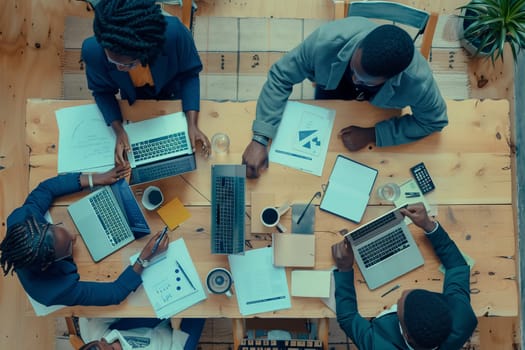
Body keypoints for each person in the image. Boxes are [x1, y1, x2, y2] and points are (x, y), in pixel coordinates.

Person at [242, 18, 448, 178]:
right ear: (359, 47)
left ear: (391, 78)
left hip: (377, 112)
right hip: (330, 90)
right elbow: (281, 75)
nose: (355, 80)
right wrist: (260, 137)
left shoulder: (418, 81)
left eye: (365, 80)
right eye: (353, 69)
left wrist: (374, 134)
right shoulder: (326, 40)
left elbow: (434, 121)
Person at [0, 165, 169, 307]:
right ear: (50, 264)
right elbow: (115, 293)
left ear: (43, 224)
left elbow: (47, 189)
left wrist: (94, 179)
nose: (74, 237)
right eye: (68, 247)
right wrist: (144, 257)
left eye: (59, 228)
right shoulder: (52, 291)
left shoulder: (22, 219)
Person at [82, 0, 210, 166]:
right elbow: (101, 91)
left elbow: (189, 74)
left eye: (129, 64)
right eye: (113, 61)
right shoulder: (93, 51)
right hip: (134, 98)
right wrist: (119, 131)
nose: (120, 68)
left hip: (172, 89)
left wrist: (192, 124)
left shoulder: (175, 34)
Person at [331, 203, 477, 349]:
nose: (404, 292)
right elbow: (457, 266)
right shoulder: (463, 317)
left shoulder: (379, 346)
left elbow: (348, 318)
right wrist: (429, 226)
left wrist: (345, 270)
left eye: (401, 303)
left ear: (406, 336)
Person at [78, 317, 205, 350]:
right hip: (171, 345)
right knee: (201, 308)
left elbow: (87, 318)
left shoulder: (94, 333)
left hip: (151, 327)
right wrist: (178, 330)